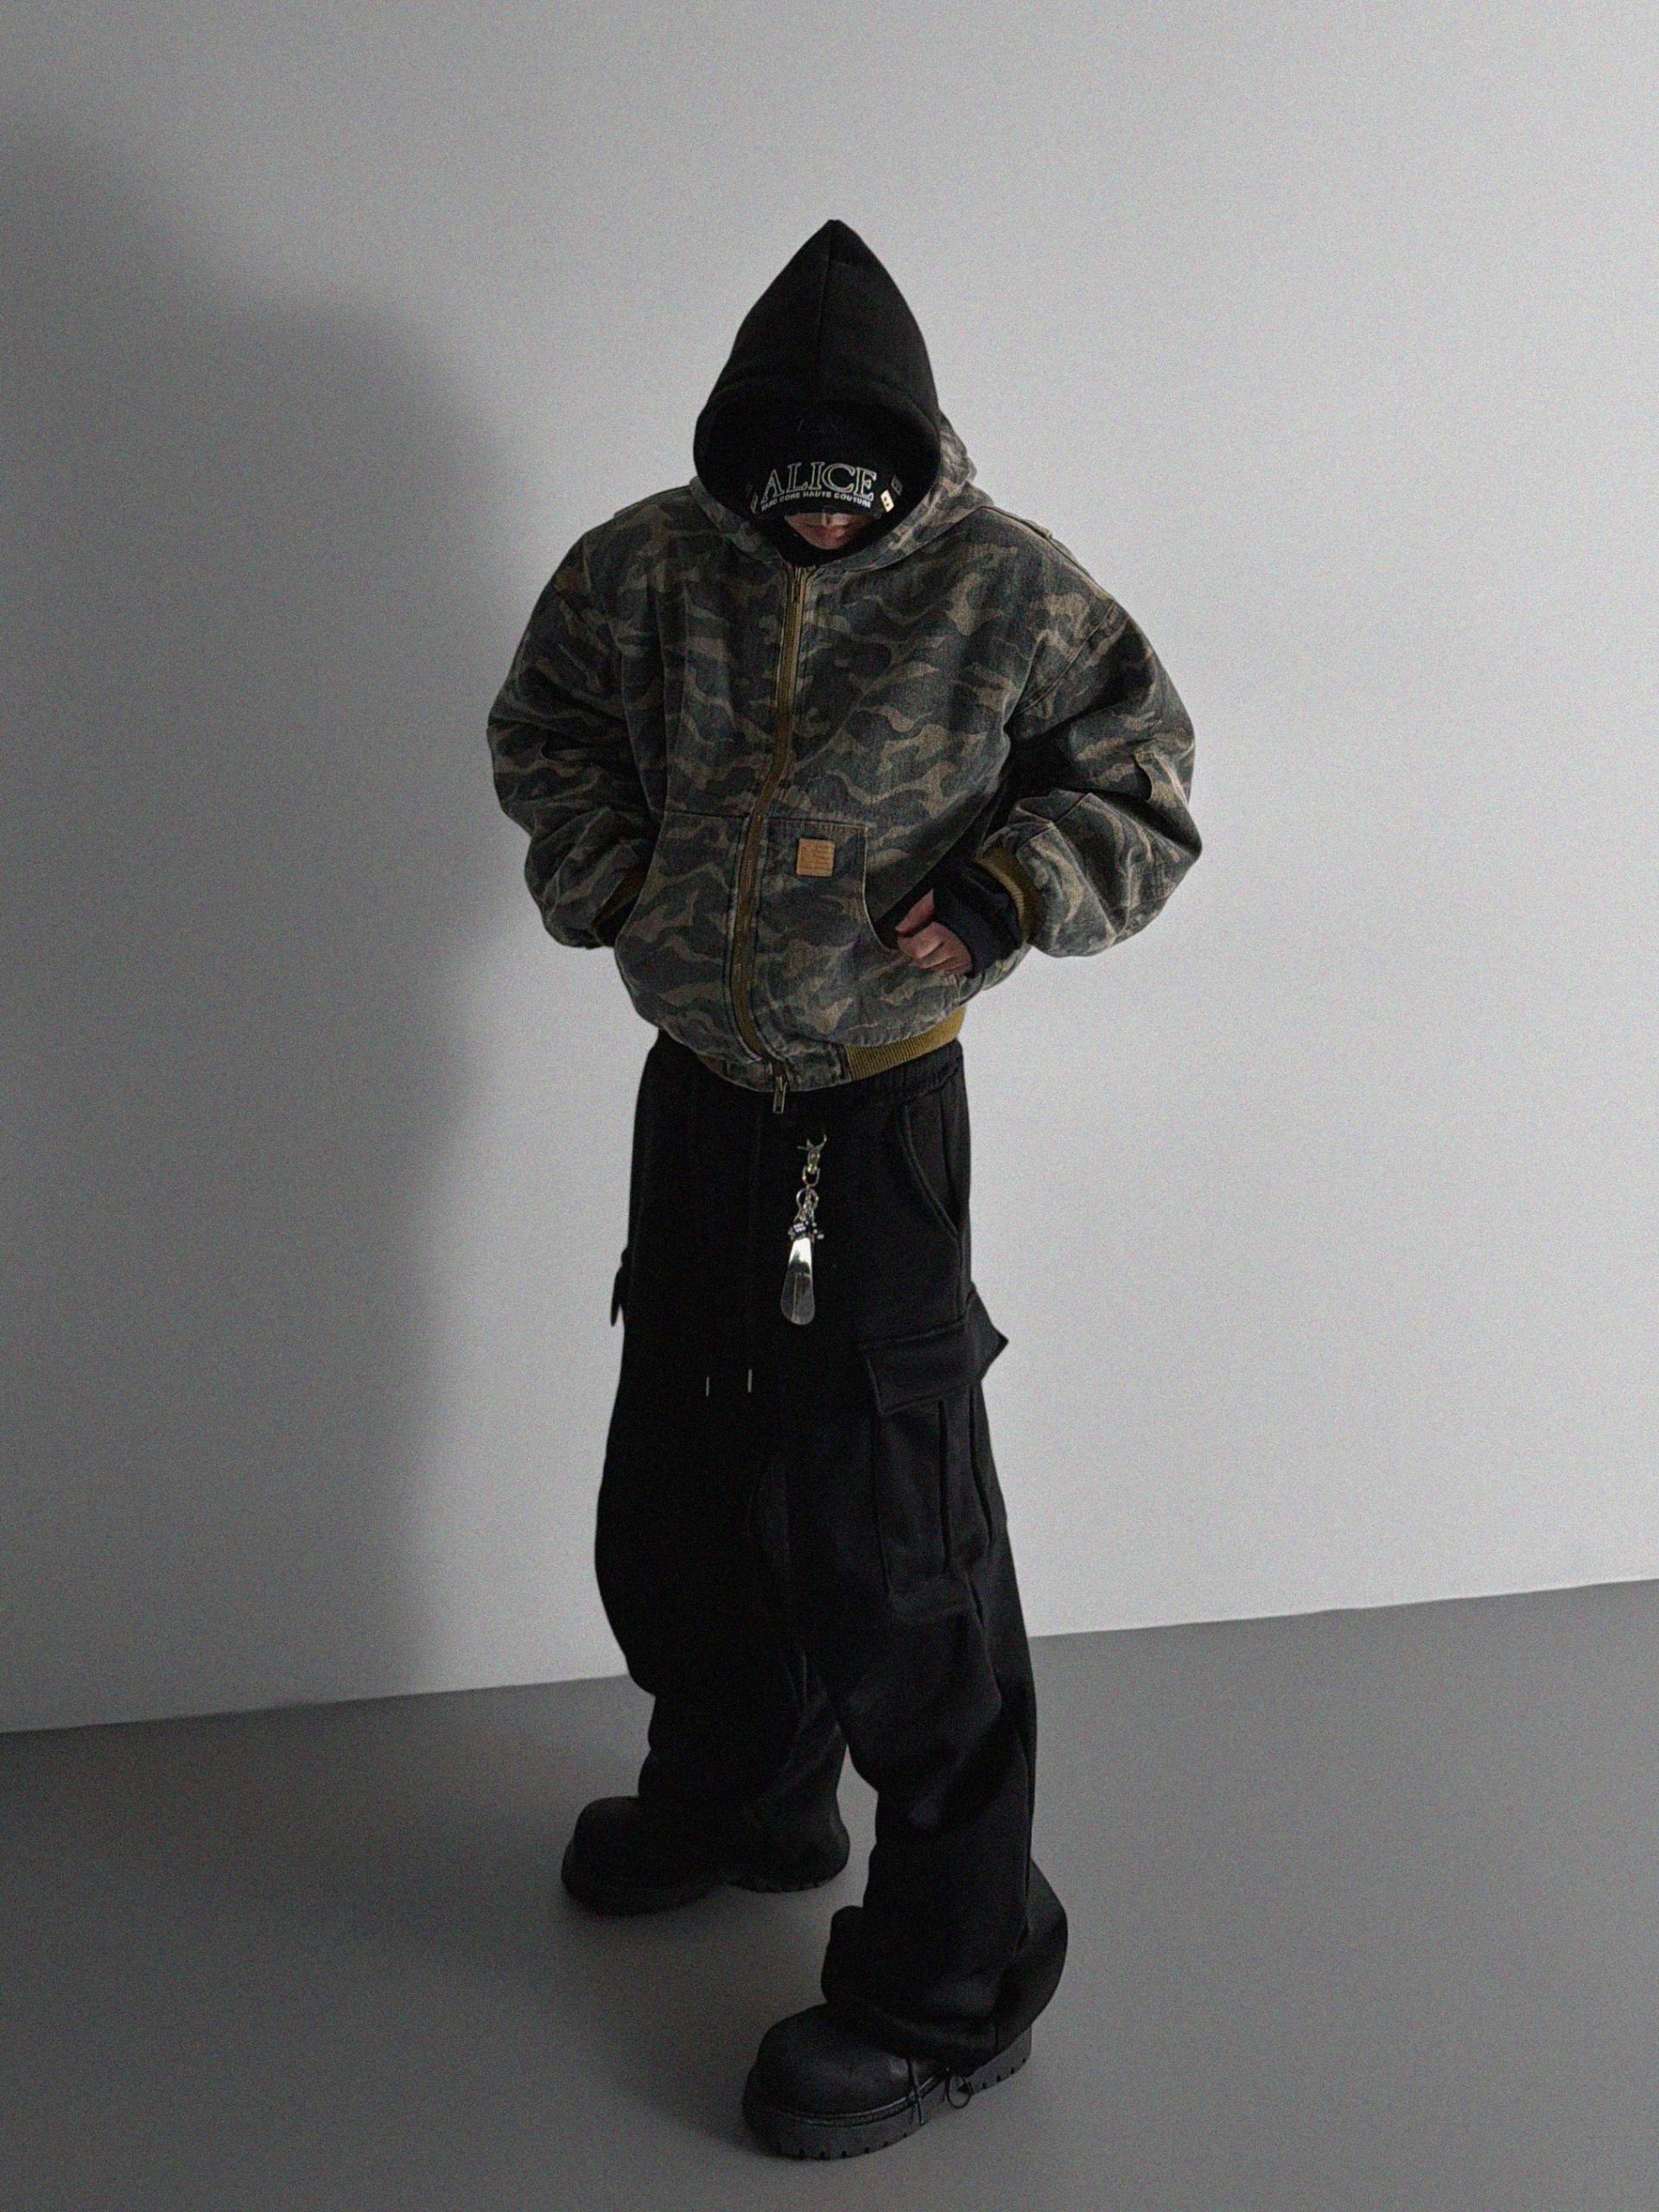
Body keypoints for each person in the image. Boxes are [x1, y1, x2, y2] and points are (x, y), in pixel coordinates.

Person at [486, 218, 1201, 2160]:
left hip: (877, 1118)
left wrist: (1003, 893)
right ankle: (745, 1782)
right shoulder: (645, 567)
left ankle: (953, 1977)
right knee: (678, 1483)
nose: (816, 523)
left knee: (897, 1540)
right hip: (700, 1096)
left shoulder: (1007, 590)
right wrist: (616, 879)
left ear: (906, 471)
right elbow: (544, 729)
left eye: (850, 494)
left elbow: (1140, 785)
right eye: (785, 489)